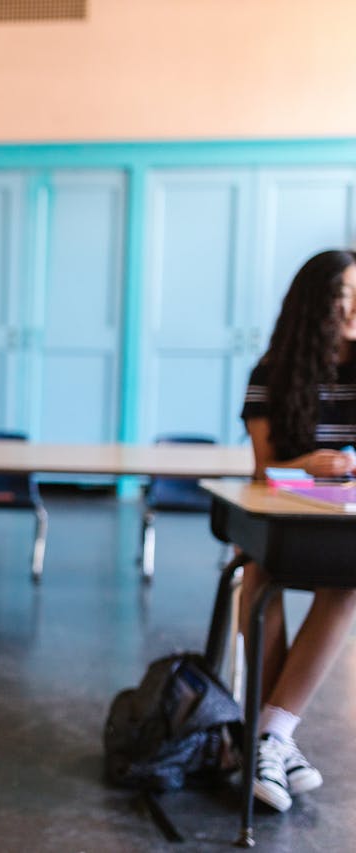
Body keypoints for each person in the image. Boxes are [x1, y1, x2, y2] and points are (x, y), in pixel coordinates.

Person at [239, 248, 356, 812]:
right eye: (342, 296)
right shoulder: (270, 373)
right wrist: (307, 464)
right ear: (316, 307)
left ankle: (268, 737)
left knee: (350, 582)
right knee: (258, 575)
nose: (353, 308)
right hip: (285, 518)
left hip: (345, 523)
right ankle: (275, 739)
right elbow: (264, 471)